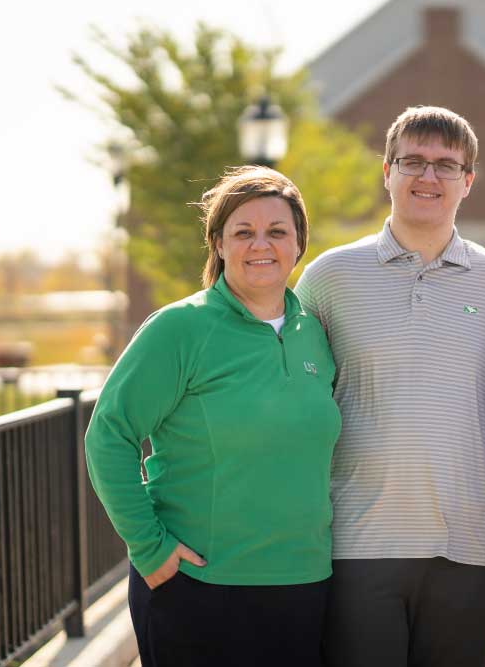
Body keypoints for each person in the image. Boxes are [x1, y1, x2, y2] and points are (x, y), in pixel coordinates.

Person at [85, 167, 341, 667]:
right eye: (243, 232)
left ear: (299, 244)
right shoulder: (181, 328)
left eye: (276, 232)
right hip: (199, 588)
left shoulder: (317, 332)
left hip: (303, 586)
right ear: (219, 245)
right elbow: (109, 436)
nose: (259, 245)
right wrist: (149, 546)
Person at [295, 105, 485, 667]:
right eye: (412, 161)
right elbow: (293, 402)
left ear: (467, 181)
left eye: (446, 165)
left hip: (468, 543)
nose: (428, 176)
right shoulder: (328, 277)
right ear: (386, 171)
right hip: (357, 541)